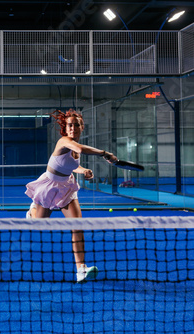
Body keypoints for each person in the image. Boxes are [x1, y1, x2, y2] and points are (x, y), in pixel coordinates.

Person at [25, 109, 117, 283]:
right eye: (69, 125)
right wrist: (105, 153)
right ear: (65, 129)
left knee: (77, 225)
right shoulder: (64, 141)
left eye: (76, 125)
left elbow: (70, 165)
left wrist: (83, 170)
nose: (73, 128)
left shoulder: (74, 148)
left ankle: (81, 269)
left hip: (67, 187)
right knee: (39, 225)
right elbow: (81, 148)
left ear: (82, 127)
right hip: (49, 186)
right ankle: (32, 211)